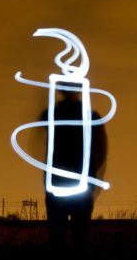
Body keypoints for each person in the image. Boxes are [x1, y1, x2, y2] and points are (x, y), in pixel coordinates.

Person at [39, 84, 108, 251]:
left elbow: (101, 150)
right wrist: (94, 178)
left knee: (59, 239)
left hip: (59, 186)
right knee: (79, 239)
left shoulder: (51, 115)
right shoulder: (91, 116)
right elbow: (101, 150)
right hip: (78, 186)